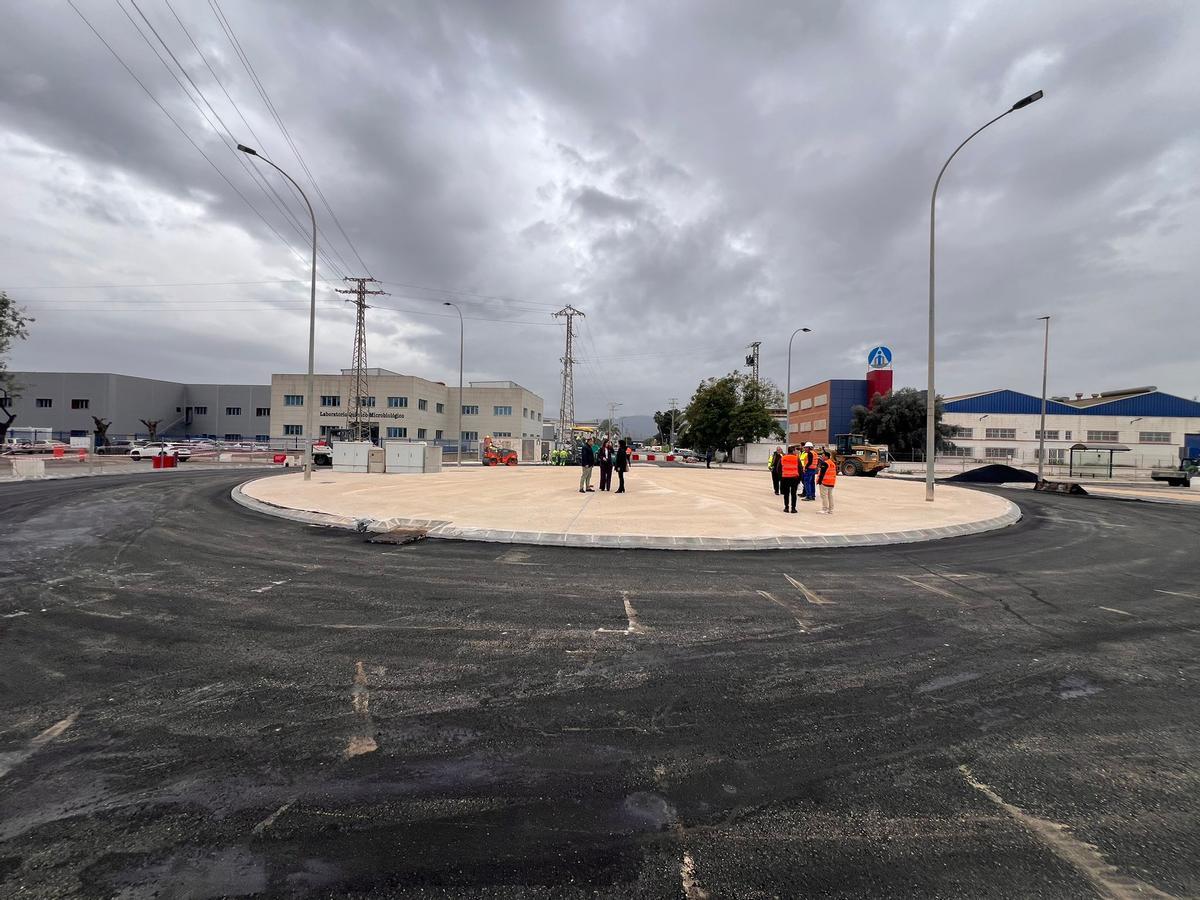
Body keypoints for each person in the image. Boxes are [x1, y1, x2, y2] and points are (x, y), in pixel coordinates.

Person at [779, 445, 801, 513]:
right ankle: (793, 508)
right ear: (793, 451)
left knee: (786, 494)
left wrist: (781, 478)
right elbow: (800, 469)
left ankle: (786, 508)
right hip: (794, 478)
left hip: (785, 478)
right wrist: (799, 479)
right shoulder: (796, 458)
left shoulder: (783, 458)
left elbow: (778, 469)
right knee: (793, 494)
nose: (796, 451)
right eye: (795, 450)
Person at [817, 447, 837, 514]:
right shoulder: (832, 463)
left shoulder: (825, 463)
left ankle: (824, 509)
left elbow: (822, 473)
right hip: (831, 482)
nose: (822, 457)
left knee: (824, 496)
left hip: (825, 482)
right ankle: (830, 510)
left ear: (826, 456)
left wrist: (819, 481)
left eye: (823, 456)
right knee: (830, 496)